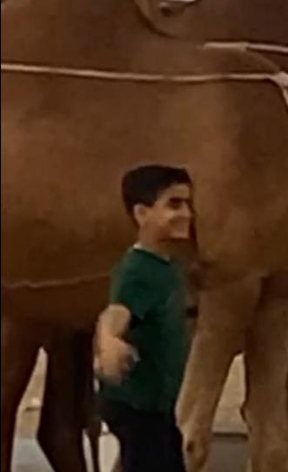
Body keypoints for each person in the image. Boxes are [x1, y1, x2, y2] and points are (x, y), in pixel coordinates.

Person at [95, 164, 192, 472]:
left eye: (188, 204)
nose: (187, 214)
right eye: (174, 205)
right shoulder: (137, 271)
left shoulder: (166, 267)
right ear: (142, 213)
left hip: (158, 409)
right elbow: (117, 311)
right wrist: (109, 340)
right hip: (136, 407)